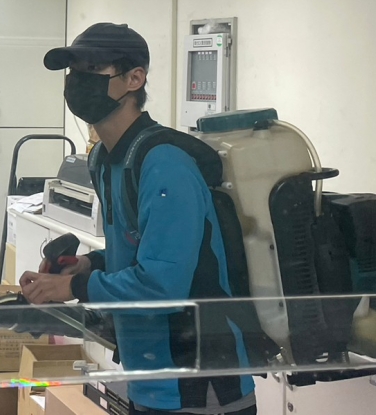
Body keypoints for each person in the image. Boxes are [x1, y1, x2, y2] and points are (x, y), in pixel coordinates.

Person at [19, 23, 256, 415]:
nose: (78, 81)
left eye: (93, 69)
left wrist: (73, 286)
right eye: (74, 70)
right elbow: (136, 250)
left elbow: (163, 285)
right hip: (147, 378)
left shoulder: (165, 164)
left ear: (135, 78)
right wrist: (88, 264)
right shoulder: (104, 159)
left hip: (200, 385)